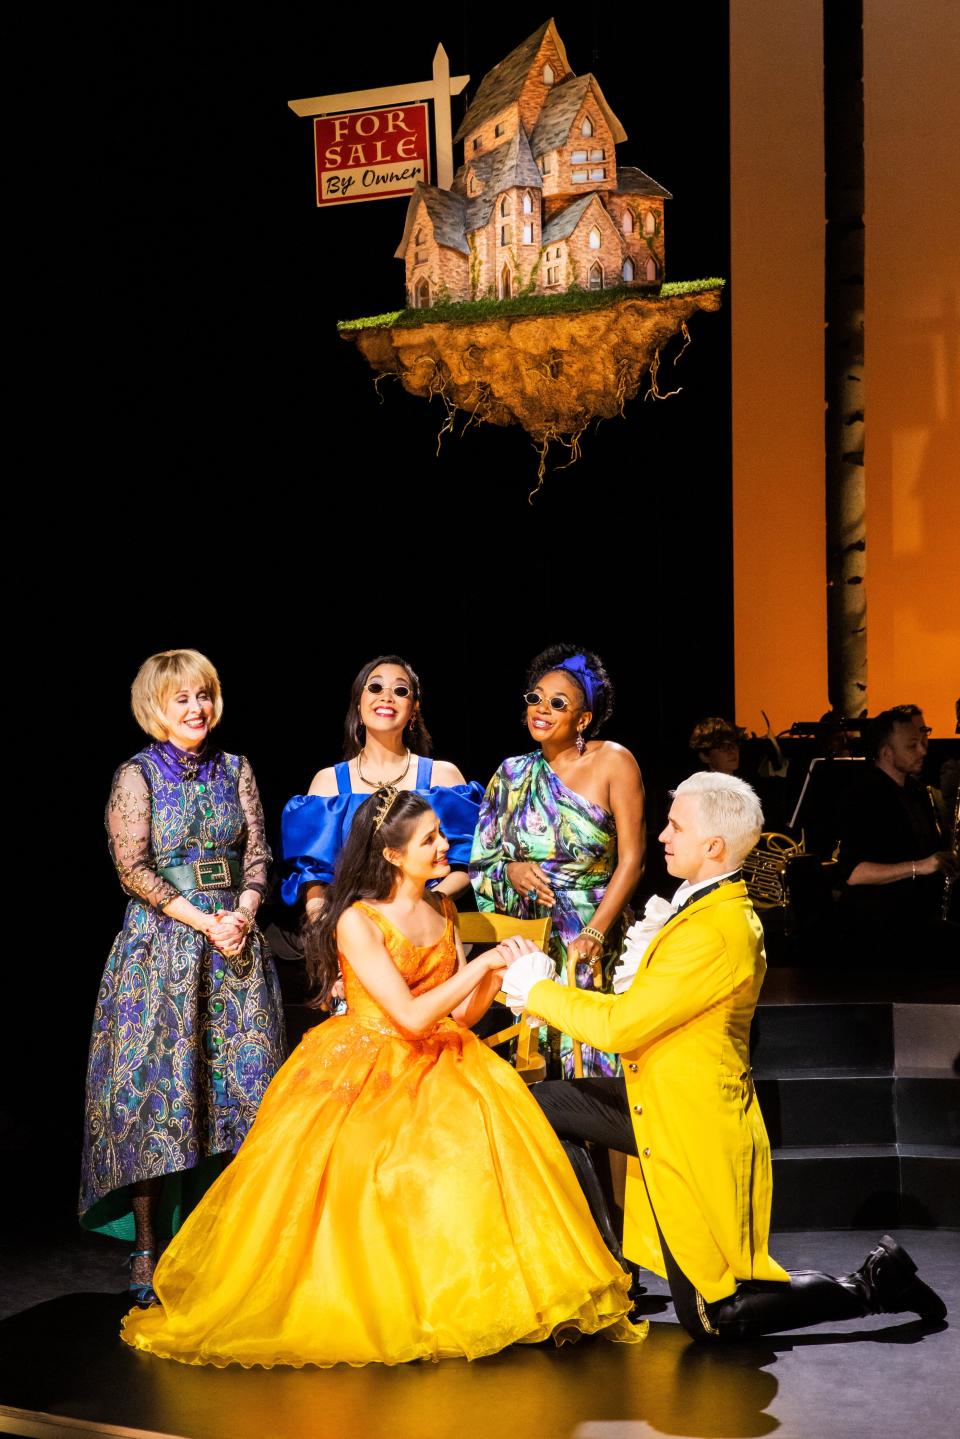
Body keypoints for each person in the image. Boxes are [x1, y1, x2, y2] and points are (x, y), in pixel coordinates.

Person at [120, 789, 642, 1367]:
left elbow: (458, 1017)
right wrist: (483, 965)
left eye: (440, 835)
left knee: (481, 1146)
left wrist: (497, 976)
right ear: (392, 855)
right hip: (370, 1059)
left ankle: (470, 1293)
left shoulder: (441, 909)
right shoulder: (357, 922)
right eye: (430, 840)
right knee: (377, 1162)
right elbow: (413, 1017)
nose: (445, 846)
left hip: (444, 1056)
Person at [499, 772, 946, 1341]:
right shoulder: (696, 911)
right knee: (538, 1103)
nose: (661, 835)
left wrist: (537, 990)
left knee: (718, 1317)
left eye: (675, 827)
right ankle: (600, 1262)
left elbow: (621, 1025)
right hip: (658, 1103)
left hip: (693, 1127)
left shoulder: (717, 929)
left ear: (713, 847)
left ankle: (872, 1285)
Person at [80, 650, 286, 1305]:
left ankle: (235, 1243)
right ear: (155, 708)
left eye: (203, 696)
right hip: (164, 954)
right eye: (181, 700)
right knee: (161, 1099)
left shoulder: (237, 768)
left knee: (246, 1097)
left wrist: (245, 911)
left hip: (235, 949)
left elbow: (258, 854)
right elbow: (133, 869)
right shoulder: (137, 775)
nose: (196, 709)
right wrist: (204, 920)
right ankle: (148, 1246)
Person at [470, 645, 645, 1078]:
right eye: (535, 698)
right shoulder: (510, 773)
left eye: (557, 703)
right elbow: (482, 861)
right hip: (529, 936)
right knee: (535, 1056)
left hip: (592, 934)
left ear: (582, 719)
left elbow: (634, 861)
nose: (541, 710)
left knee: (593, 1055)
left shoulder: (613, 761)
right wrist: (511, 871)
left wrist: (595, 932)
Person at [281, 653, 484, 921]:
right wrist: (325, 931)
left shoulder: (442, 777)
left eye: (400, 690)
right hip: (351, 930)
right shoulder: (327, 783)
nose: (386, 696)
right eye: (375, 687)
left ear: (414, 709)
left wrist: (421, 907)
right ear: (358, 703)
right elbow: (313, 878)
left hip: (426, 923)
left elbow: (465, 865)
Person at [836, 705, 958, 962]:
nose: (923, 751)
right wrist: (919, 867)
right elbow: (854, 873)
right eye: (912, 746)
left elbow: (930, 856)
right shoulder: (864, 795)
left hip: (918, 915)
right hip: (882, 926)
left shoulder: (916, 791)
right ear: (886, 753)